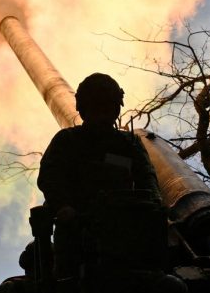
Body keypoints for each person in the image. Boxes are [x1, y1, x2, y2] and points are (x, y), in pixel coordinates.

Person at [37, 73, 161, 221]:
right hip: (78, 224)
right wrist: (62, 206)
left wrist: (155, 205)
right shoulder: (67, 140)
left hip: (125, 222)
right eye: (97, 107)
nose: (102, 114)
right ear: (84, 109)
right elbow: (50, 177)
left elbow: (146, 176)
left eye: (107, 107)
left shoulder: (129, 143)